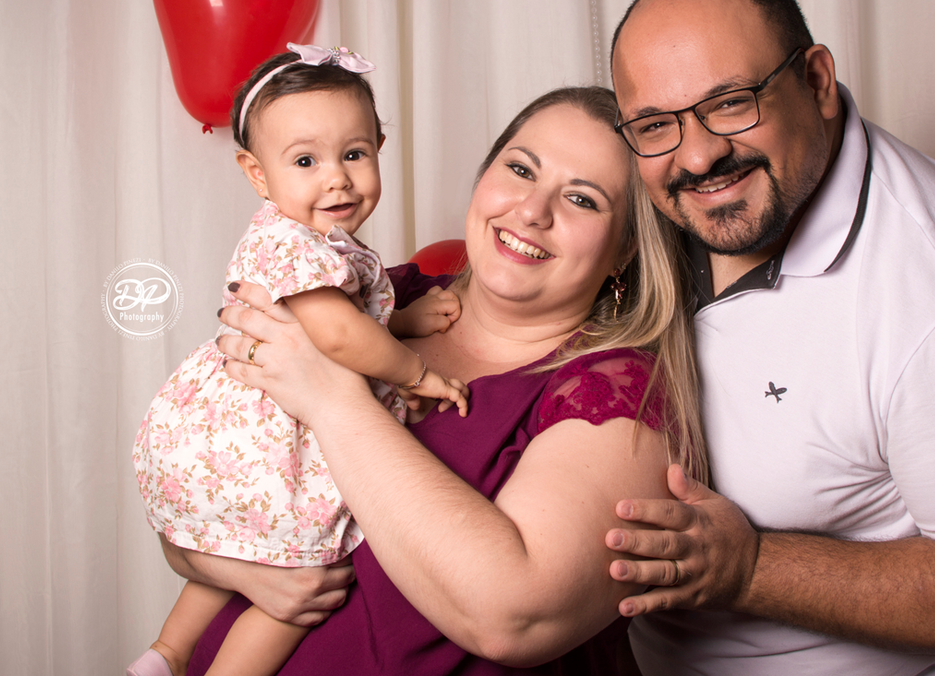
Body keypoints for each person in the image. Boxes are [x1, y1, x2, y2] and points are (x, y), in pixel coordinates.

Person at [603, 0, 935, 674]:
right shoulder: (652, 216)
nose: (699, 155)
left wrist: (751, 569)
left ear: (817, 82)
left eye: (732, 103)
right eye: (656, 125)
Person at [162, 85, 708, 674]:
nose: (532, 210)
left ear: (625, 249)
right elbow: (202, 492)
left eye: (582, 199)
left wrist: (332, 399)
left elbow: (515, 619)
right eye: (520, 169)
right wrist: (234, 567)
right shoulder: (378, 297)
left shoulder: (617, 393)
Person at [129, 43, 470, 676]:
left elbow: (336, 322)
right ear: (258, 175)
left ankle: (166, 653)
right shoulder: (296, 245)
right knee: (305, 573)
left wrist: (400, 318)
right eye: (306, 161)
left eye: (354, 154)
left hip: (220, 441)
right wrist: (417, 371)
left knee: (246, 546)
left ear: (379, 149)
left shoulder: (304, 238)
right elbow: (337, 337)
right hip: (263, 441)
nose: (336, 177)